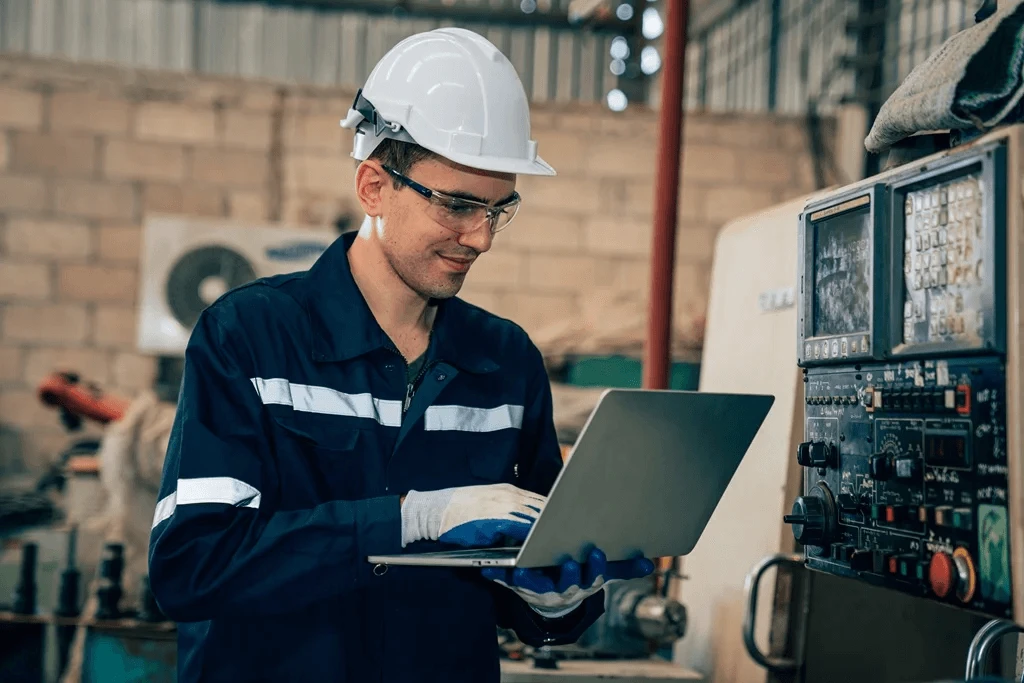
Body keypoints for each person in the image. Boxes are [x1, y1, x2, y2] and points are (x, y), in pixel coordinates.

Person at [148, 27, 654, 683]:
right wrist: (412, 519)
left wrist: (556, 598)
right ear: (373, 187)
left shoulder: (505, 362)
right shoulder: (249, 337)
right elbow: (192, 565)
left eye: (499, 210)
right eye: (458, 205)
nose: (480, 238)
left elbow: (532, 599)